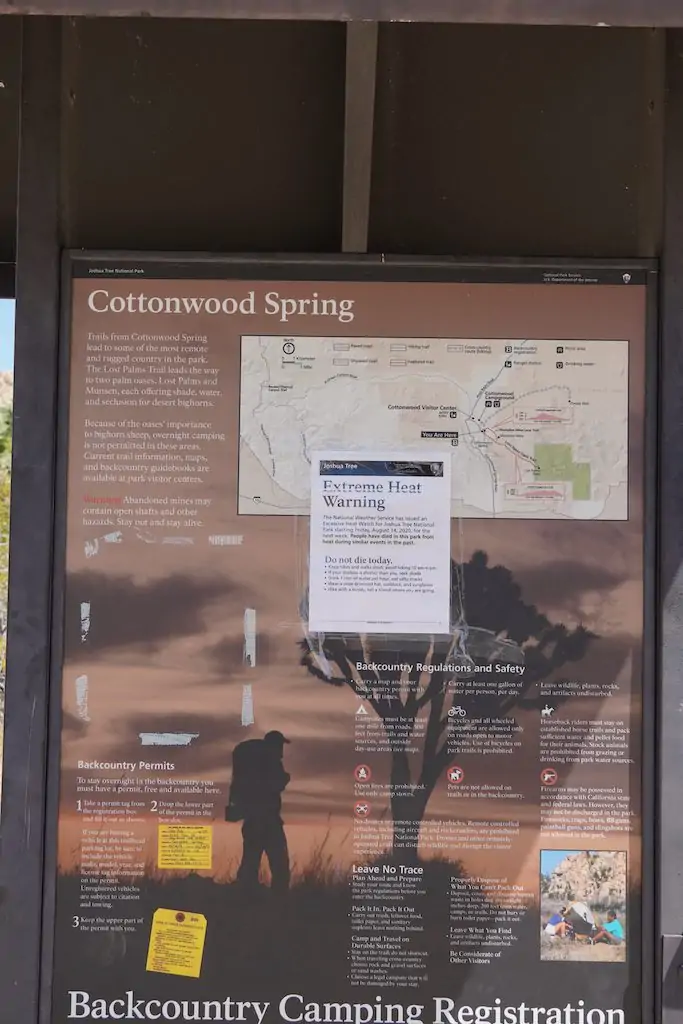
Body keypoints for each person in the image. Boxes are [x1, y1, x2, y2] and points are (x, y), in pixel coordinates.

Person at [226, 730, 291, 893]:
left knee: (250, 861)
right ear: (276, 745)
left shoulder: (253, 763)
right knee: (279, 864)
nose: (282, 750)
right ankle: (279, 898)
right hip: (269, 821)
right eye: (281, 745)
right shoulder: (271, 761)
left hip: (252, 820)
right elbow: (275, 785)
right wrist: (284, 779)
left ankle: (246, 895)